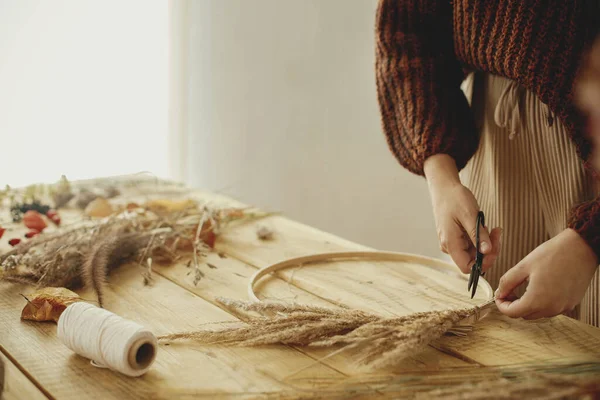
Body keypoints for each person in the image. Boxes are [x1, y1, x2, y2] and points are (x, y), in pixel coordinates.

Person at [375, 0, 600, 326]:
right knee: (487, 344)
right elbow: (408, 29)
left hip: (592, 136)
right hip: (495, 142)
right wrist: (442, 177)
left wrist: (590, 238)